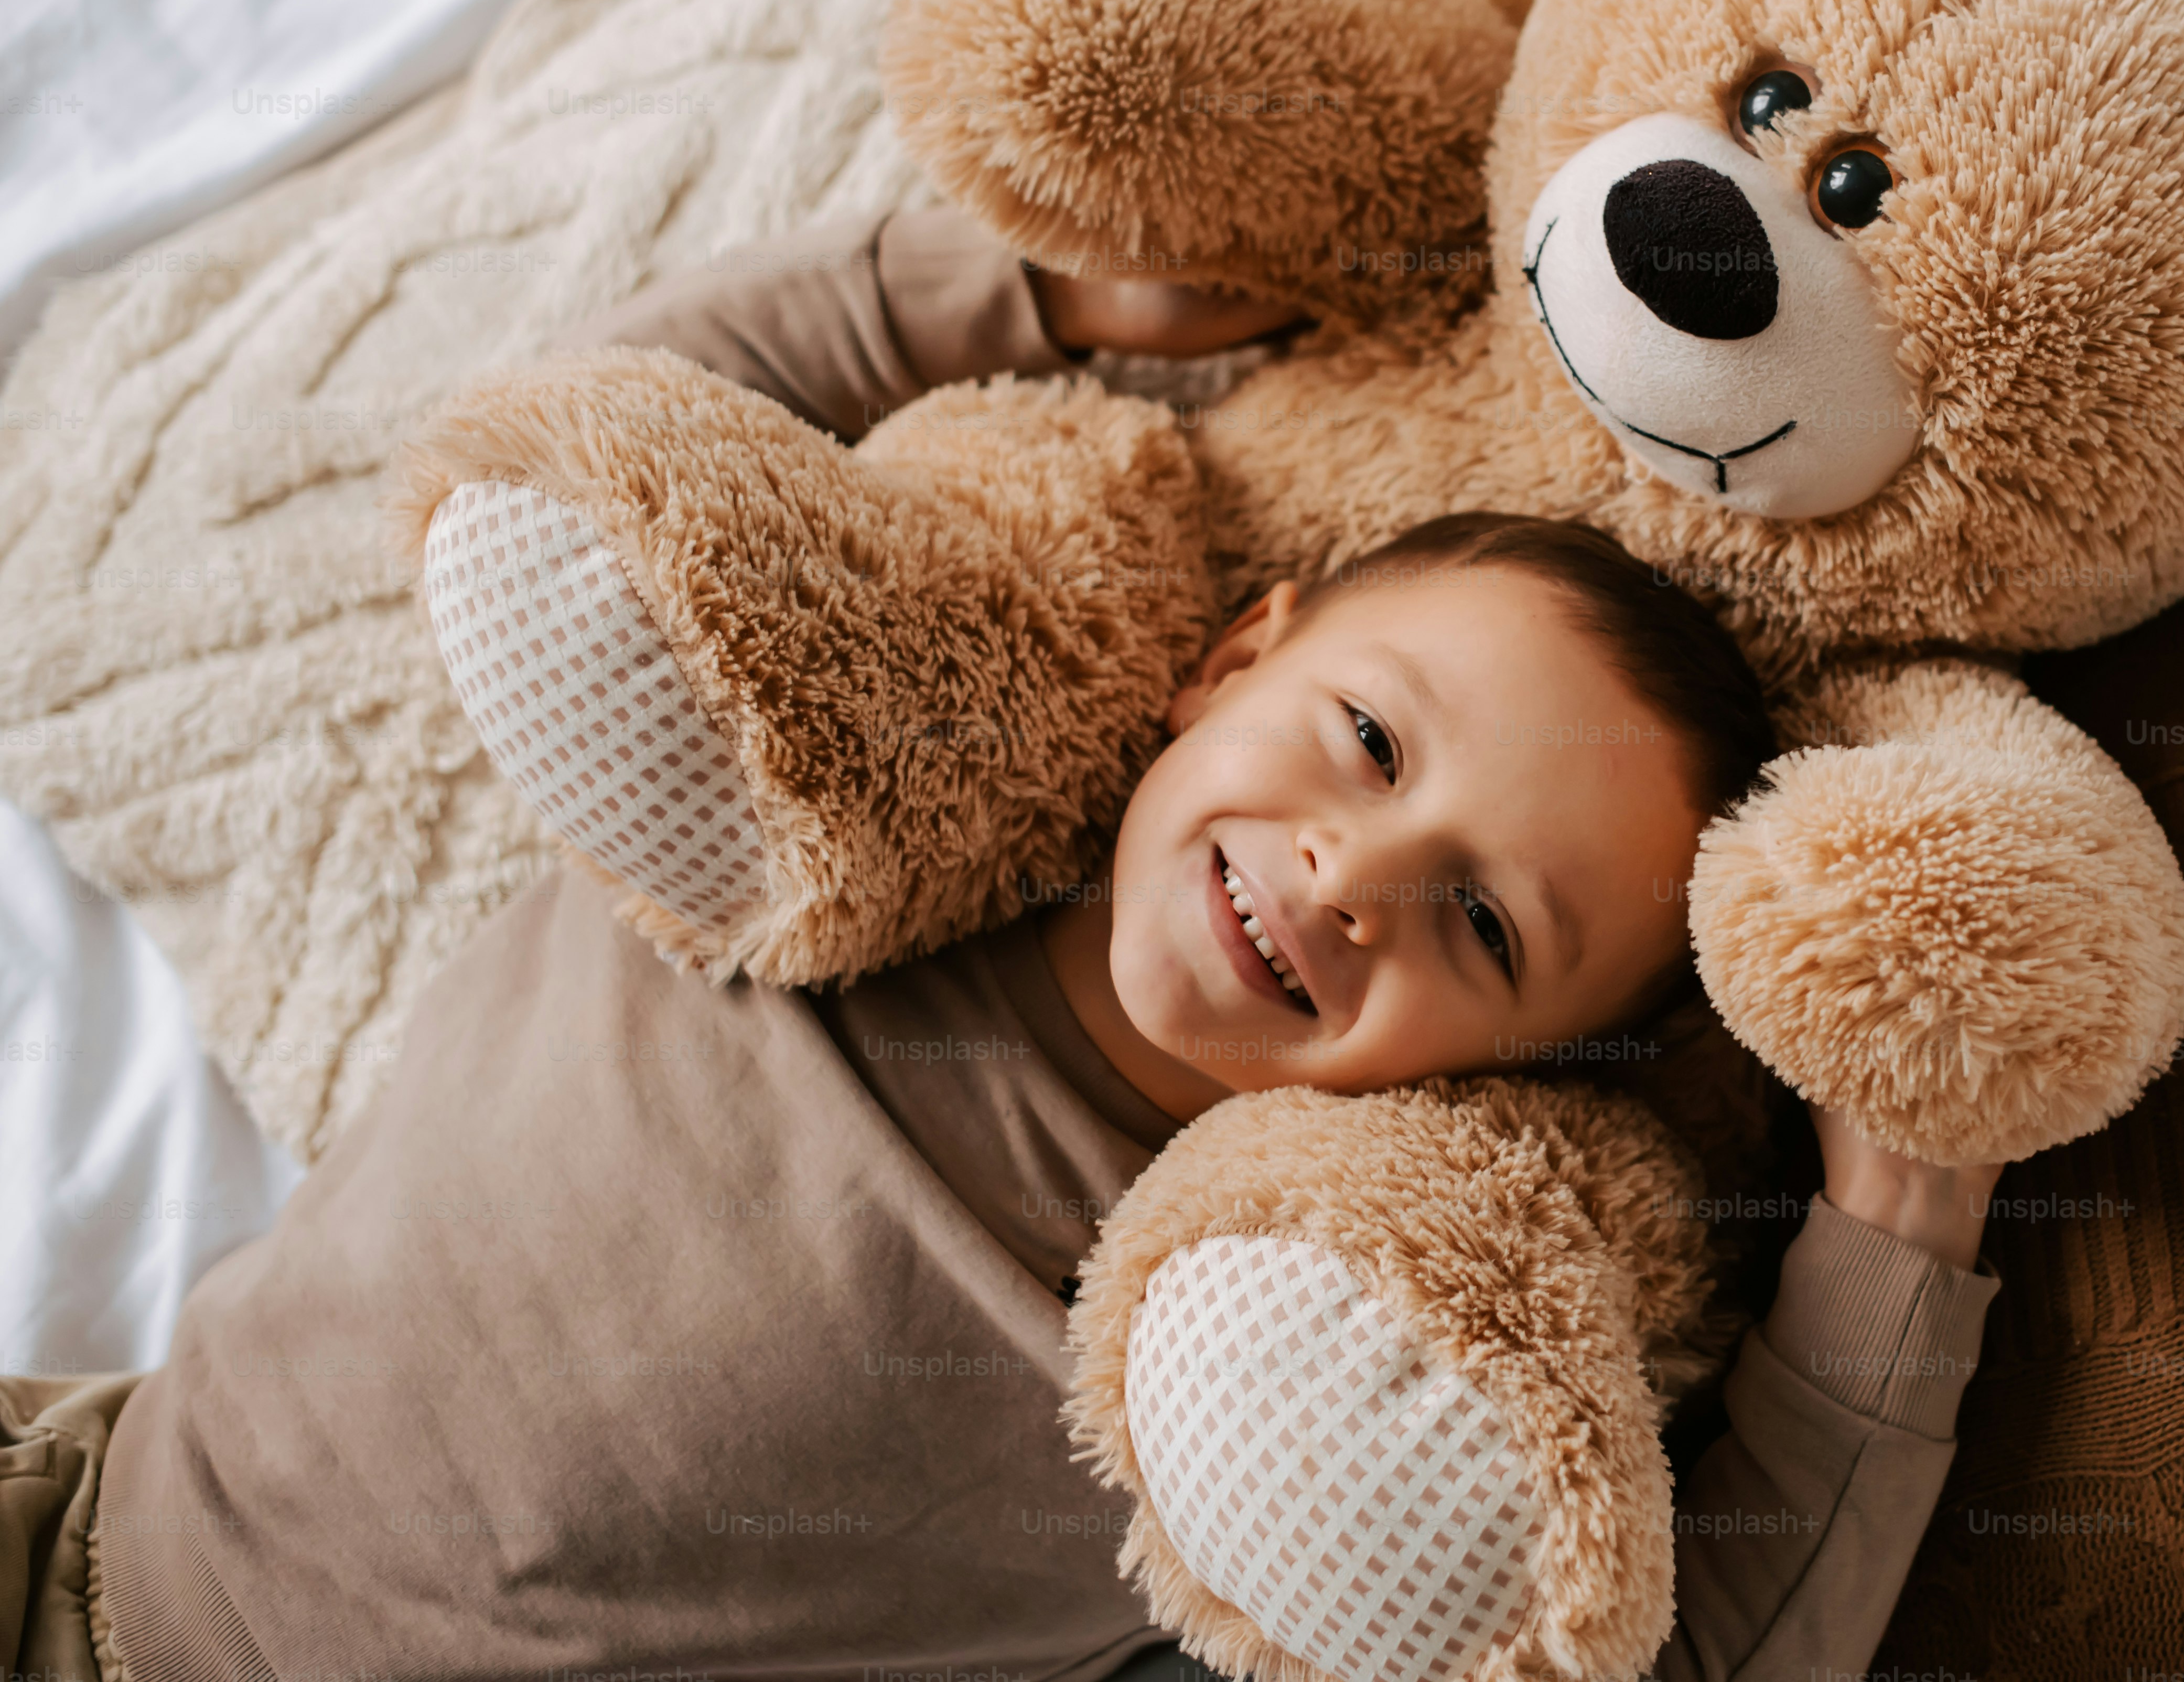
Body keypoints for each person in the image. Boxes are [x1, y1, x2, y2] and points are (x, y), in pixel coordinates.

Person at [7, 209, 2006, 1681]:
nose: (1340, 875)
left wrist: (1891, 1251)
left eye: (1480, 921)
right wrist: (1019, 296)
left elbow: (1628, 1651)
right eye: (1369, 742)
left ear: (1524, 1073)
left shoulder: (1265, 1358)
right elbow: (615, 466)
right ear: (1239, 657)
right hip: (81, 1506)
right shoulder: (852, 795)